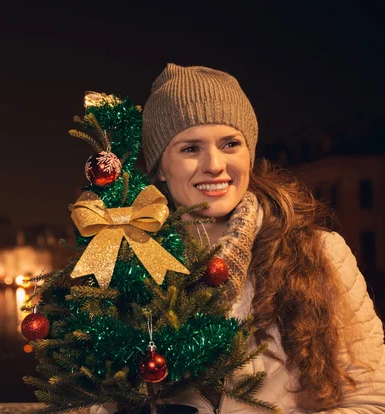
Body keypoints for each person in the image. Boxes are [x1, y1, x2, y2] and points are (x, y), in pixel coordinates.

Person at [92, 64, 385, 413]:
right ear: (159, 169)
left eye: (231, 144)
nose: (215, 164)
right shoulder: (130, 268)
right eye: (190, 149)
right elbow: (100, 401)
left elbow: (370, 397)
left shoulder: (319, 251)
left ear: (249, 153)